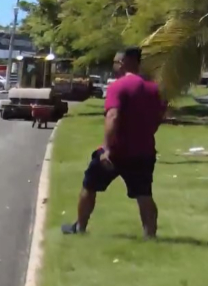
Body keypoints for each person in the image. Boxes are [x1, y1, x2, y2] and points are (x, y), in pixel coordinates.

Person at [63, 47, 166, 239]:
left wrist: (107, 149)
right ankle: (150, 235)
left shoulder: (118, 86)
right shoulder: (154, 89)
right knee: (144, 194)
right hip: (144, 152)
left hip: (117, 152)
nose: (114, 66)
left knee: (90, 186)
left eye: (116, 62)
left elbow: (113, 115)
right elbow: (159, 116)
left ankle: (80, 228)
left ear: (124, 62)